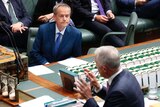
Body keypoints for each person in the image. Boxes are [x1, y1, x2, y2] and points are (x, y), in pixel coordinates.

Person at [74, 46, 144, 107]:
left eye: (97, 66)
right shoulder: (127, 74)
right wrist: (98, 87)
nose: (96, 69)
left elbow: (115, 95)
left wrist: (88, 97)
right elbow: (112, 100)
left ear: (104, 69)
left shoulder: (118, 92)